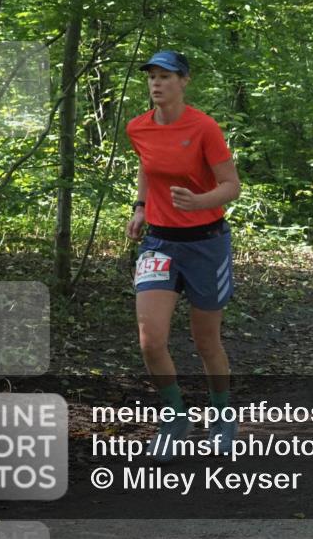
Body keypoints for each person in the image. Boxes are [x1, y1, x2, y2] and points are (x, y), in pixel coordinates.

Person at [125, 50, 242, 460]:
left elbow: (231, 185)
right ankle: (175, 420)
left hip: (206, 243)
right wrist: (140, 207)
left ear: (184, 81)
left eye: (166, 76)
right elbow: (146, 165)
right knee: (150, 340)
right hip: (159, 242)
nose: (157, 84)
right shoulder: (138, 127)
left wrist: (200, 201)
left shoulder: (204, 127)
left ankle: (222, 416)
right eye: (152, 77)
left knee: (206, 342)